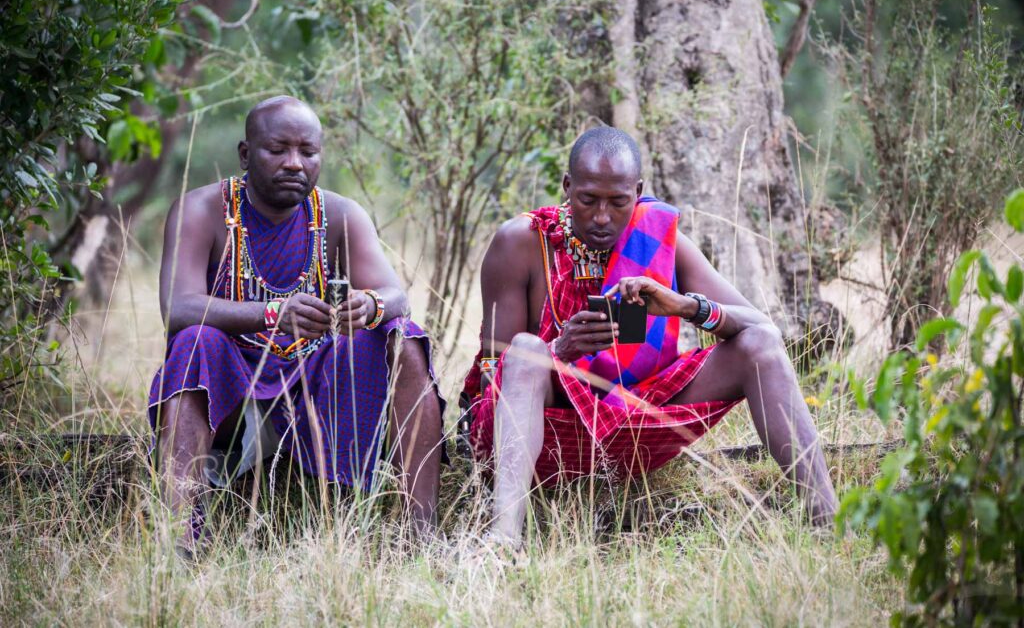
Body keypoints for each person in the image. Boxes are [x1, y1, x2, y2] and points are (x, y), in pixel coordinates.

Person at [461, 126, 838, 547]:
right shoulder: (522, 242)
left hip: (637, 420)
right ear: (567, 187)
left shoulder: (660, 236)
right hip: (542, 429)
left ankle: (827, 520)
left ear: (638, 192)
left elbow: (762, 329)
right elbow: (494, 377)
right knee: (528, 351)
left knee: (760, 347)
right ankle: (503, 543)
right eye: (588, 200)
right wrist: (559, 351)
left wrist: (684, 306)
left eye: (618, 202)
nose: (602, 216)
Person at [150, 96, 444, 555]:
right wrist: (273, 314)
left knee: (402, 336)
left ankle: (420, 536)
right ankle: (181, 540)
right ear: (246, 154)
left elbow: (396, 297)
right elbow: (178, 307)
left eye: (308, 152)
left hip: (315, 385)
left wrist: (367, 305)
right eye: (278, 150)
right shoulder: (202, 210)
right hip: (232, 392)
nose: (294, 163)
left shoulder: (339, 215)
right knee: (194, 342)